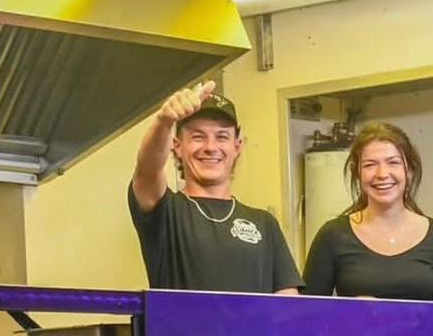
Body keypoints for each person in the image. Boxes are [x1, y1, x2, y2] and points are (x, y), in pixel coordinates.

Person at [128, 80, 303, 294]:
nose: (211, 147)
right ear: (177, 147)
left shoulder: (264, 223)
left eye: (222, 137)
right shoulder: (166, 212)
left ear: (237, 147)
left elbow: (287, 297)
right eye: (197, 137)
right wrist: (164, 122)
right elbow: (148, 169)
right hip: (182, 329)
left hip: (252, 329)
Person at [303, 122, 433, 302]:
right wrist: (350, 315)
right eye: (370, 165)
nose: (382, 174)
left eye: (393, 162)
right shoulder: (332, 236)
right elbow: (306, 317)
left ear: (409, 170)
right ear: (358, 174)